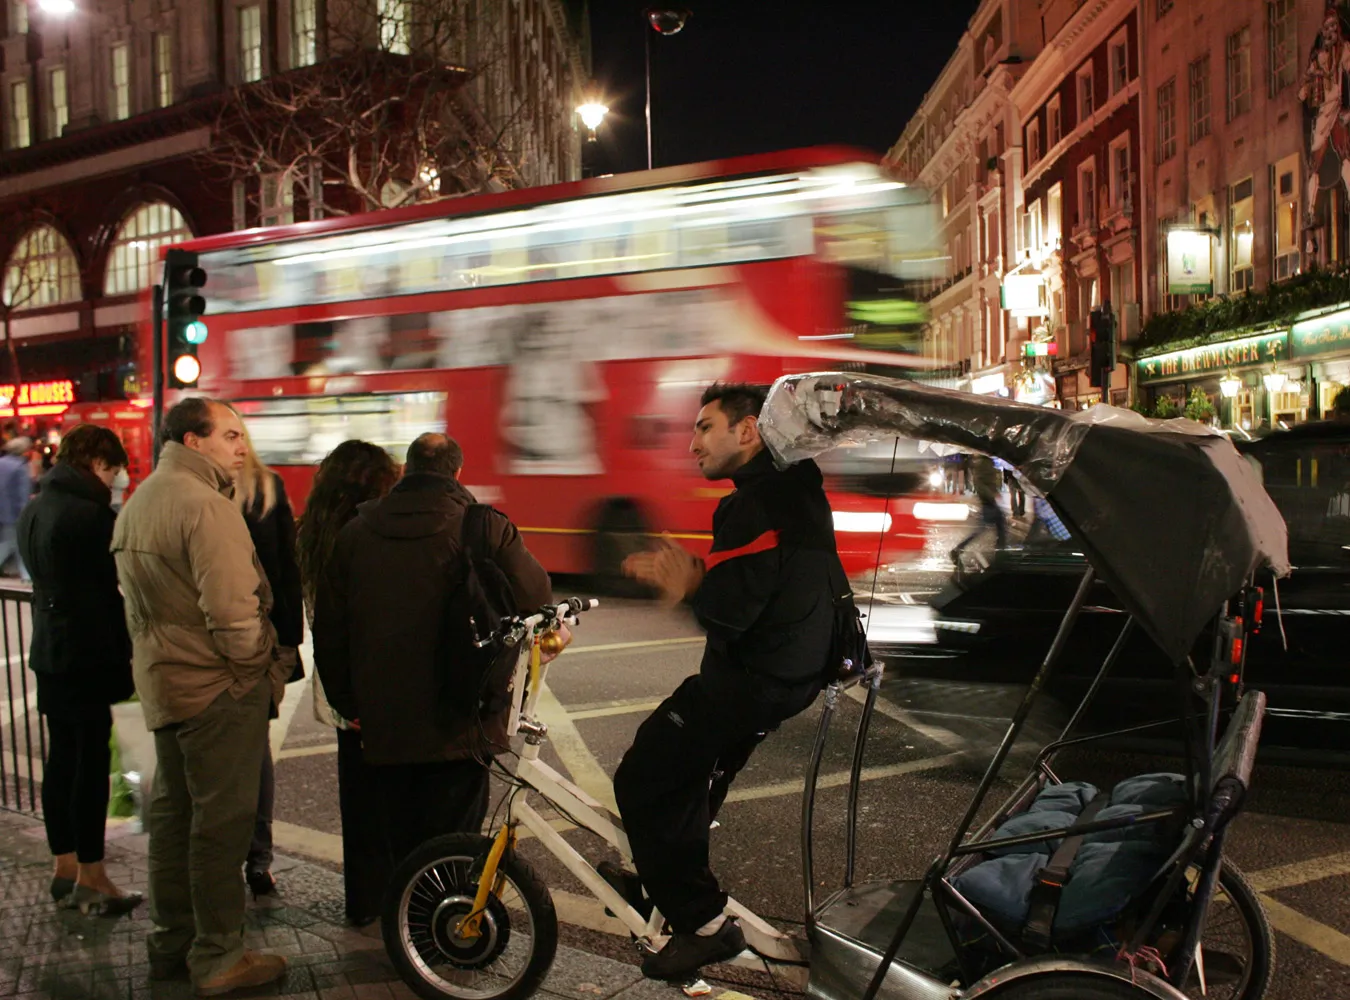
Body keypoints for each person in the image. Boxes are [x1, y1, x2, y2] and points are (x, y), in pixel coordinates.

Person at [615, 383, 840, 981]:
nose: (692, 445)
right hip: (790, 679)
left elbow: (729, 612)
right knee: (694, 778)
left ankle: (703, 926)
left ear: (747, 431)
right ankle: (657, 881)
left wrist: (689, 585)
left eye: (704, 427)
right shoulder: (796, 488)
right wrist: (698, 577)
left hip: (749, 683)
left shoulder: (754, 504)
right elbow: (763, 583)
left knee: (643, 778)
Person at [111, 398, 292, 996]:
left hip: (166, 684)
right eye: (230, 436)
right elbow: (232, 612)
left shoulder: (141, 501)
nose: (242, 448)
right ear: (193, 441)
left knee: (173, 819)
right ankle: (218, 955)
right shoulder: (207, 507)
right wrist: (255, 667)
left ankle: (172, 943)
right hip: (217, 690)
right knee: (221, 827)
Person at [314, 433, 553, 873]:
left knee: (398, 844)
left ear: (406, 471)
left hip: (386, 721)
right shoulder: (484, 526)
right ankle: (440, 912)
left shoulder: (356, 532)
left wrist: (349, 703)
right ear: (457, 472)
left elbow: (330, 631)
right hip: (460, 719)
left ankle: (402, 910)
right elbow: (536, 595)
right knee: (453, 844)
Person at [17, 425, 141, 914]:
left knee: (62, 759)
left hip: (50, 650)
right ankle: (93, 874)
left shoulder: (34, 508)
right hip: (88, 654)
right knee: (90, 765)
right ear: (96, 463)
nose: (115, 480)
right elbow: (112, 586)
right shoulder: (90, 515)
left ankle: (64, 864)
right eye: (113, 470)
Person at [294, 440, 399, 927]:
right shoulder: (367, 534)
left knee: (357, 804)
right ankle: (397, 904)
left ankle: (363, 902)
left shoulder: (313, 534)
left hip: (340, 688)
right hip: (375, 688)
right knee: (393, 805)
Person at [232, 419, 304, 900]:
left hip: (242, 640)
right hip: (261, 638)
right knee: (254, 749)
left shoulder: (228, 491)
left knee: (240, 751)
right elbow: (287, 568)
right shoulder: (267, 488)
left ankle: (243, 855)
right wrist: (289, 642)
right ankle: (258, 860)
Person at [950, 452, 1007, 574]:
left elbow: (987, 481)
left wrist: (994, 491)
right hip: (988, 502)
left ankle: (1001, 557)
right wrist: (991, 495)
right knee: (989, 529)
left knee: (997, 528)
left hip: (989, 501)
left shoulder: (986, 462)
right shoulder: (984, 463)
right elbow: (980, 483)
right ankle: (1001, 558)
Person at [0, 436, 33, 580]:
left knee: (12, 543)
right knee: (13, 543)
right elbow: (23, 494)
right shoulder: (20, 468)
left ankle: (26, 573)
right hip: (14, 513)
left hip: (3, 511)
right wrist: (26, 513)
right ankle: (27, 574)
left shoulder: (1, 463)